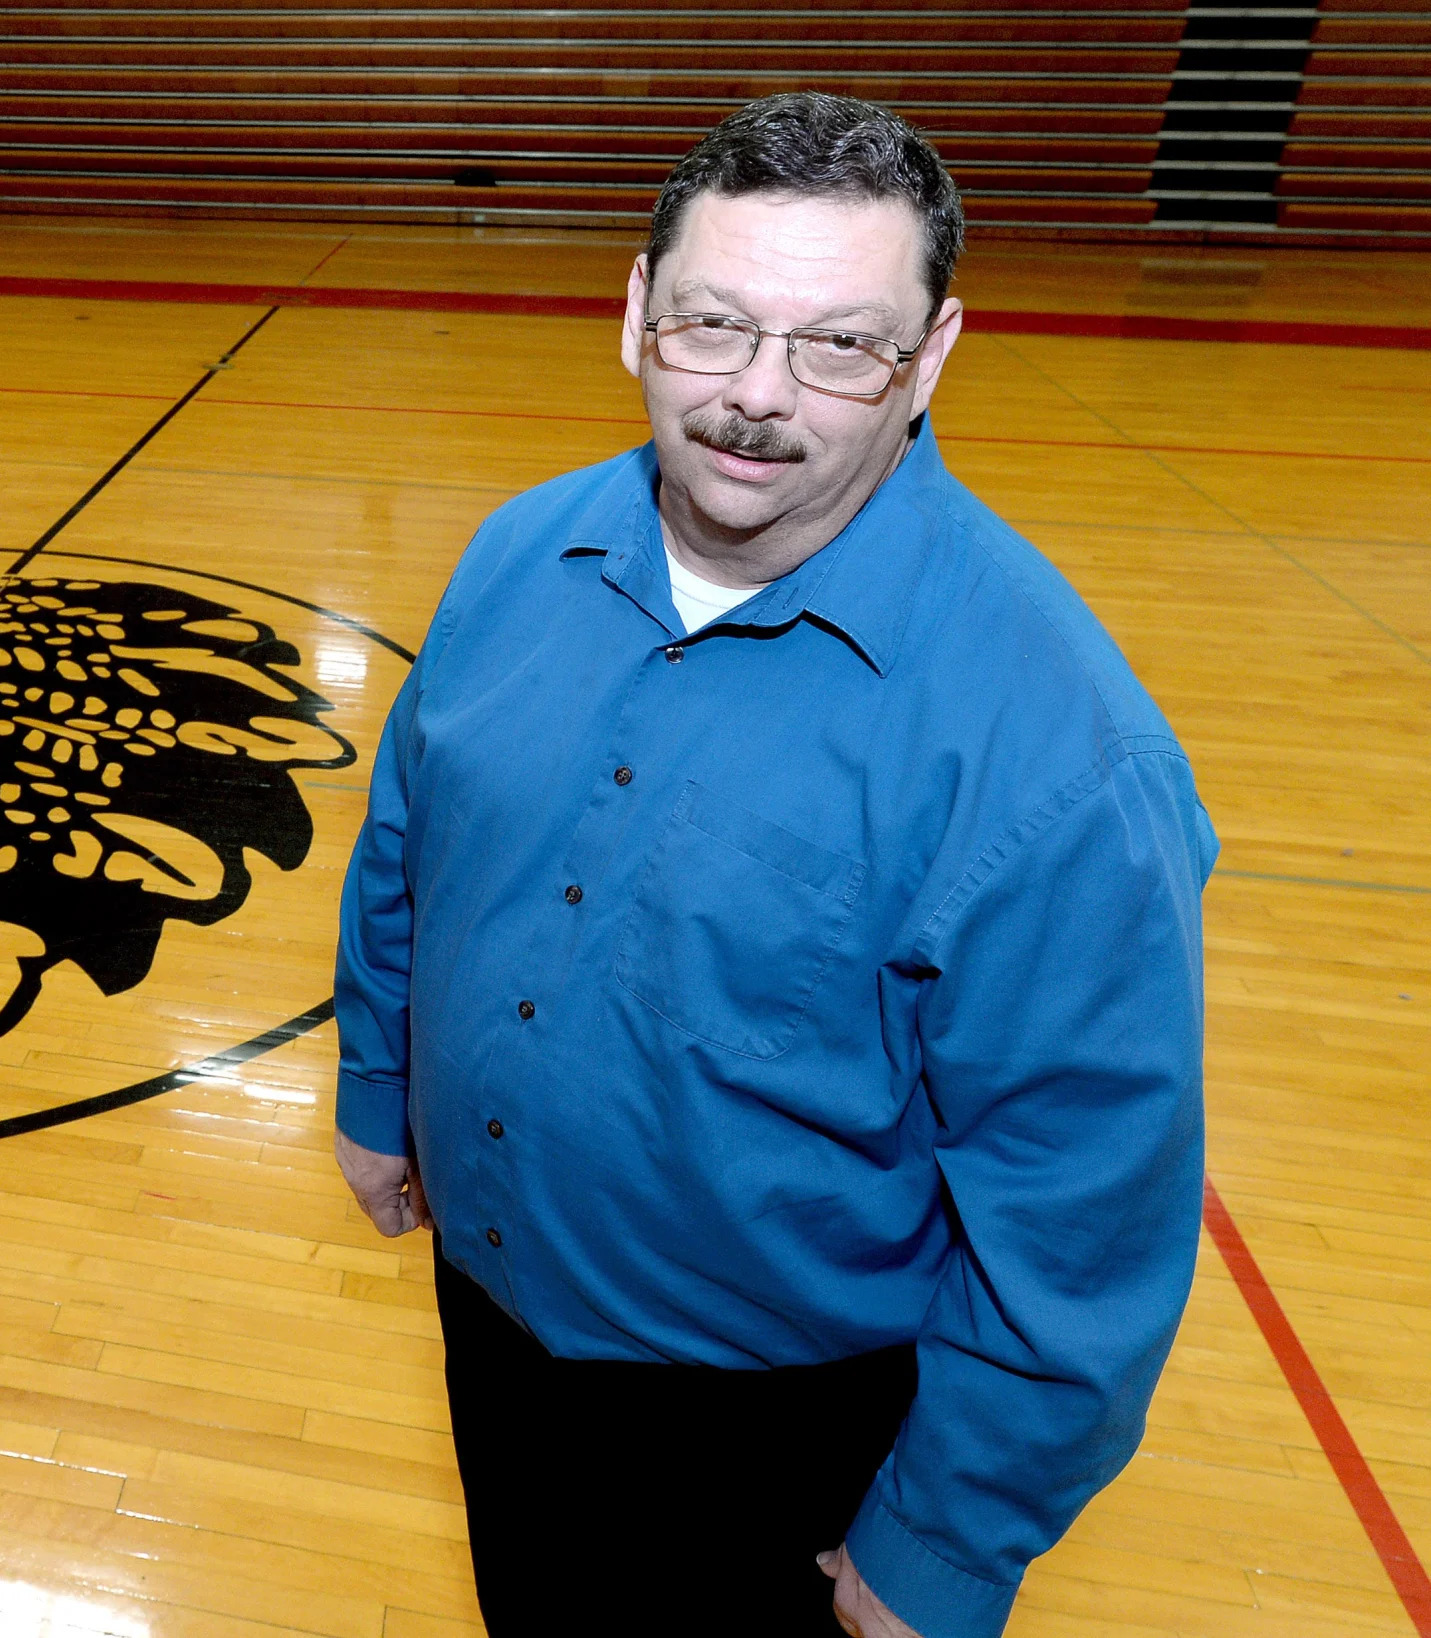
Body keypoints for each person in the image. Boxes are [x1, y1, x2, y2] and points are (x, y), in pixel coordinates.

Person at [333, 92, 1215, 1638]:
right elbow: (409, 844)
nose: (756, 397)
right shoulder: (512, 553)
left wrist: (944, 1536)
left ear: (931, 357)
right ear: (634, 314)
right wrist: (373, 1089)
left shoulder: (1059, 751)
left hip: (778, 1431)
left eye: (838, 344)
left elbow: (1081, 1204)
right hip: (493, 1315)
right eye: (713, 324)